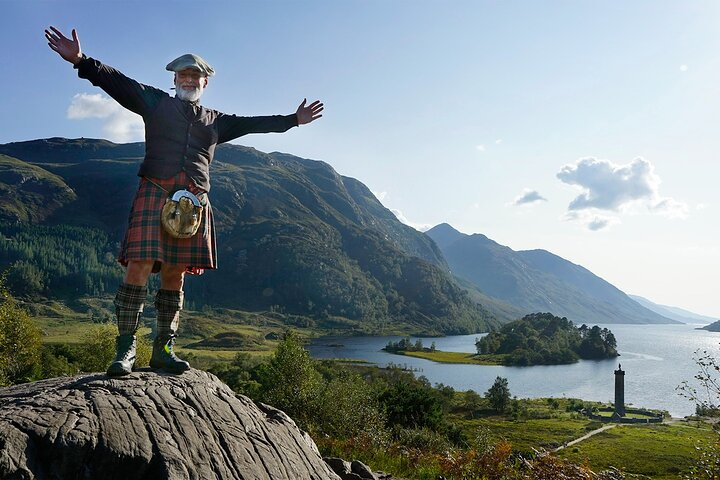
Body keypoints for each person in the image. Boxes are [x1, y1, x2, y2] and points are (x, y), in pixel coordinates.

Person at [45, 26, 323, 376]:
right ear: (175, 78)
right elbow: (116, 82)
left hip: (192, 205)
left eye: (196, 76)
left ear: (205, 83)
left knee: (175, 273)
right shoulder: (155, 103)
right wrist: (81, 61)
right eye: (184, 74)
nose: (189, 80)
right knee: (139, 265)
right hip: (155, 192)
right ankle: (126, 349)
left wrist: (292, 121)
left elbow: (255, 124)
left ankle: (163, 348)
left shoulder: (217, 122)